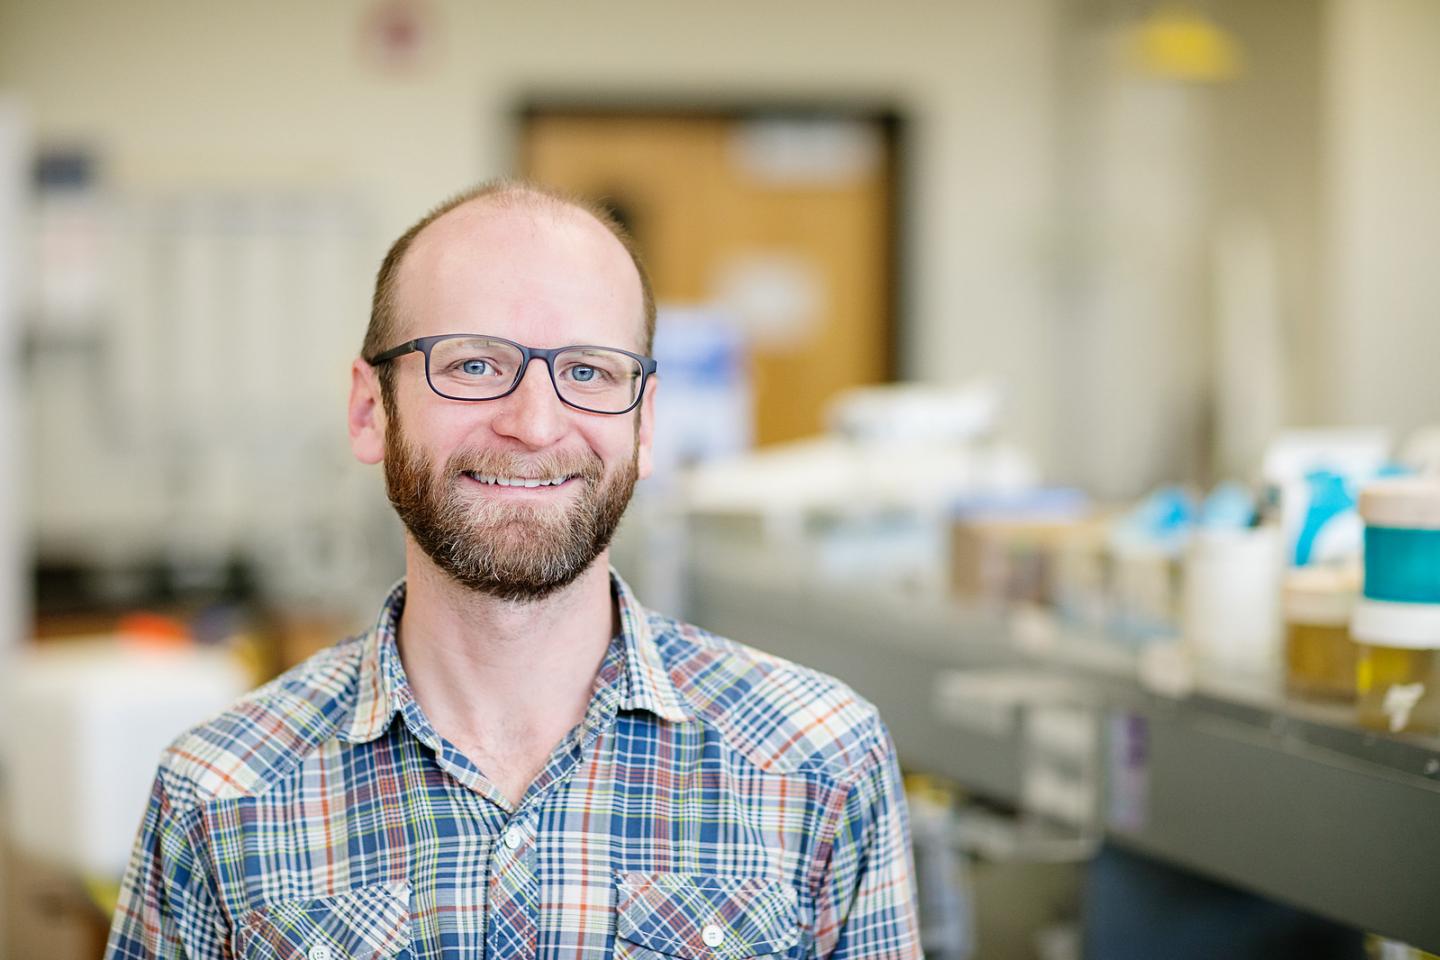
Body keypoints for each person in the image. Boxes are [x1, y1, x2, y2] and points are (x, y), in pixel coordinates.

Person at [105, 179, 922, 959]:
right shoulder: (218, 794)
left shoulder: (821, 763)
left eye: (589, 372)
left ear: (644, 427)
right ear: (368, 411)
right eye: (472, 365)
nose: (534, 424)